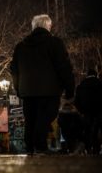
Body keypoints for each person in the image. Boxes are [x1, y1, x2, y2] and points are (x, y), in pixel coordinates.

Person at [10, 14, 75, 155]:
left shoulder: (21, 46)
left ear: (33, 27)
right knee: (45, 116)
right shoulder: (54, 43)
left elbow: (14, 69)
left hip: (27, 91)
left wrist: (19, 89)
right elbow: (63, 67)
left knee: (31, 119)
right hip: (49, 91)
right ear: (48, 26)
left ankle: (30, 147)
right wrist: (70, 88)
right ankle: (39, 145)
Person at [74, 69, 102, 155]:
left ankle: (88, 148)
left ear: (87, 75)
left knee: (87, 130)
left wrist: (81, 111)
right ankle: (96, 149)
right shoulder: (100, 83)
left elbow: (76, 102)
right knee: (97, 129)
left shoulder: (81, 86)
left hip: (86, 112)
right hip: (99, 111)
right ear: (95, 74)